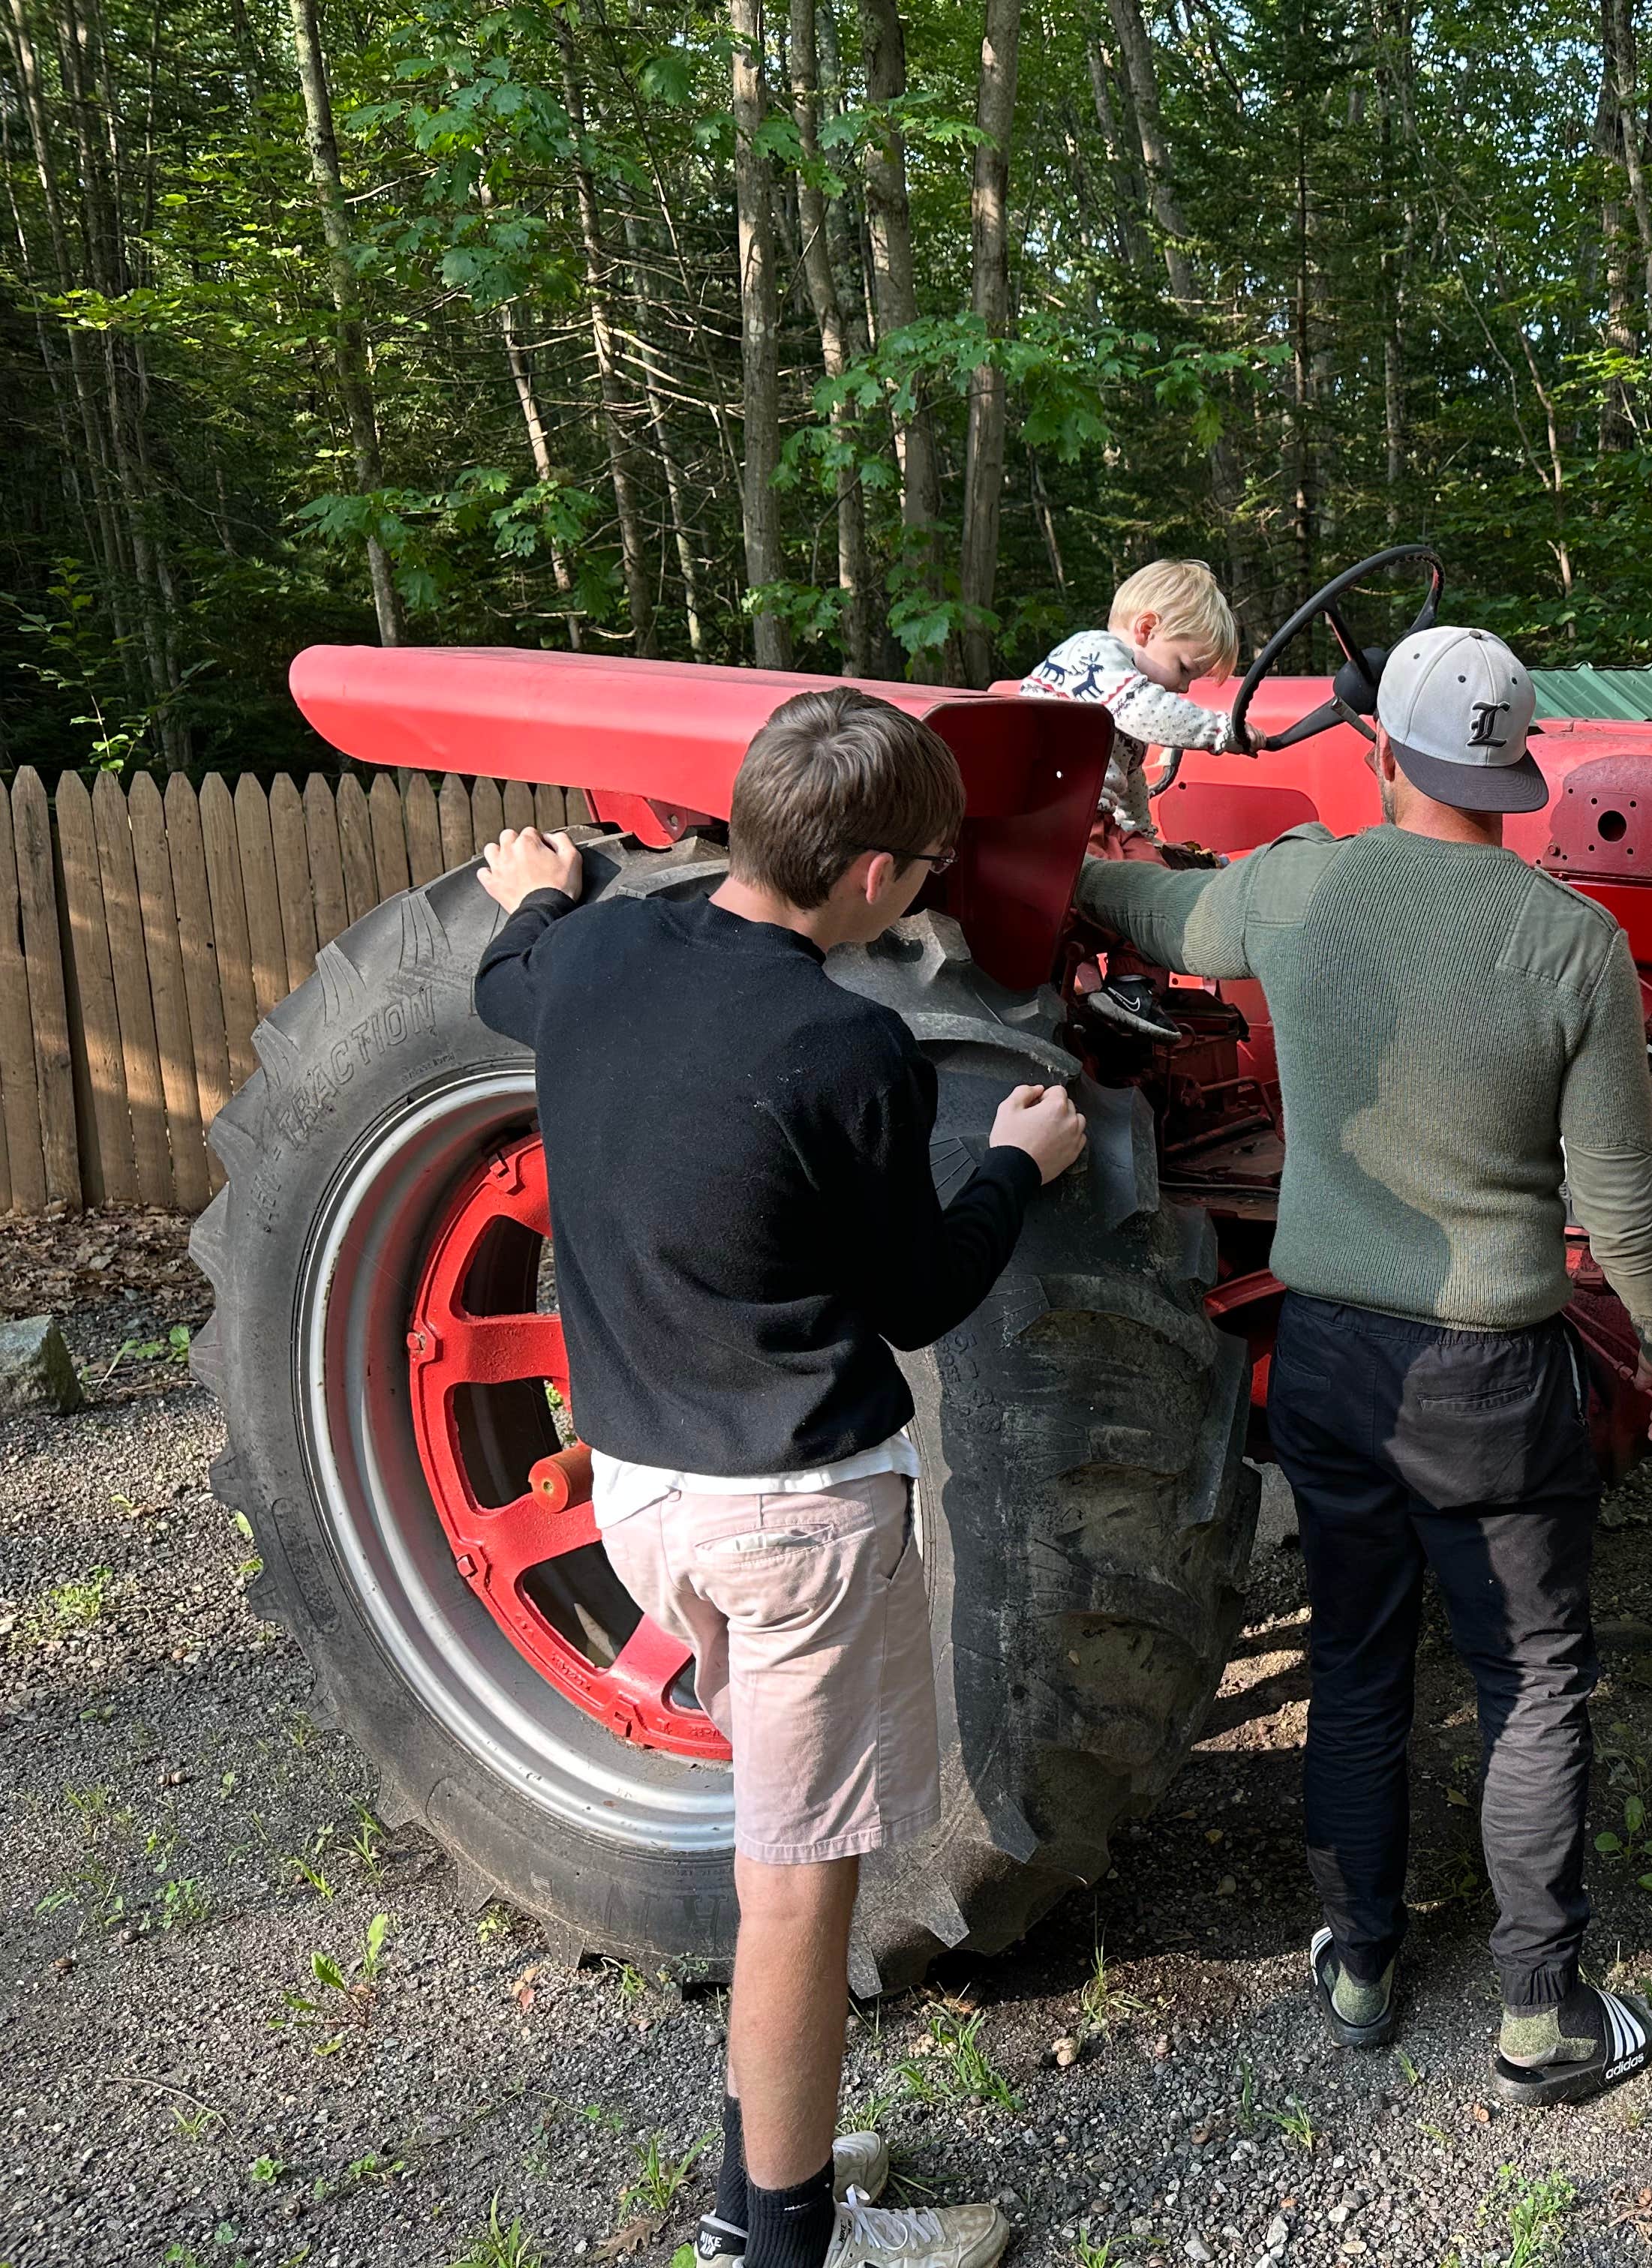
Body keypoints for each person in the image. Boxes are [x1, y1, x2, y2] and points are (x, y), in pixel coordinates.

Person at [473, 688, 1087, 2268]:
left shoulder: (597, 954)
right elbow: (921, 1297)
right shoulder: (847, 1046)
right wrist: (1015, 1163)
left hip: (644, 1498)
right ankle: (790, 2240)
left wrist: (540, 892)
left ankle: (767, 2171)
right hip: (793, 1522)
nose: (932, 888)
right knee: (801, 1891)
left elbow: (502, 976)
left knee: (784, 1859)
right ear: (874, 875)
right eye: (930, 867)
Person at [1072, 625, 1652, 2107]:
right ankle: (1539, 2014)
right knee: (1531, 1679)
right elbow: (1623, 1201)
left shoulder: (1303, 883)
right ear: (1514, 769)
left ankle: (1358, 1958)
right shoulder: (1571, 941)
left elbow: (1160, 914)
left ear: (1383, 752)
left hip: (1333, 1358)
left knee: (1357, 1663)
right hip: (1491, 1374)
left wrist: (1068, 868)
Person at [1010, 557, 1242, 833]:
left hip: (1087, 819)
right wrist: (1222, 730)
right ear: (1147, 629)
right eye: (1183, 669)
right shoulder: (1096, 652)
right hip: (1050, 816)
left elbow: (1130, 779)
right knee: (1128, 859)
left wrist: (1139, 831)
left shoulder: (1122, 704)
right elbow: (1148, 710)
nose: (1184, 688)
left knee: (1147, 854)